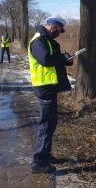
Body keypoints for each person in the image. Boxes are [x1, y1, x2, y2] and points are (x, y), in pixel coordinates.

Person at [28, 16, 73, 174]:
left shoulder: (46, 39)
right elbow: (46, 59)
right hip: (44, 88)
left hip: (49, 87)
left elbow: (52, 60)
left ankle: (45, 153)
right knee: (46, 123)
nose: (59, 34)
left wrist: (65, 60)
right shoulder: (39, 40)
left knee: (51, 122)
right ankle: (38, 161)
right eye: (59, 30)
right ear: (53, 26)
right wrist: (61, 58)